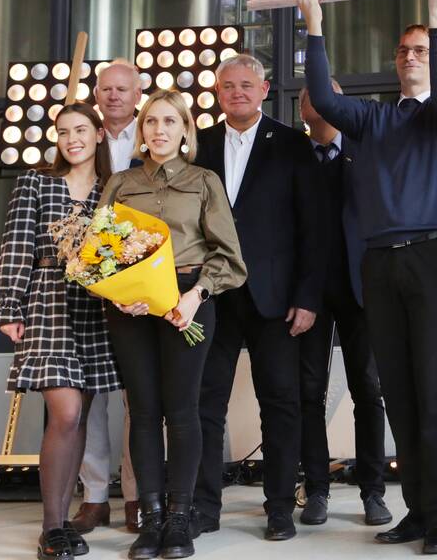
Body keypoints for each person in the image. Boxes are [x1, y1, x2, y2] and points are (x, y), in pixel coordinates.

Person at [301, 0, 437, 555]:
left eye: (420, 50)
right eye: (403, 50)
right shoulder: (373, 118)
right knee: (397, 392)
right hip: (378, 264)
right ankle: (418, 511)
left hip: (431, 257)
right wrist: (314, 26)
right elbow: (325, 100)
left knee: (435, 394)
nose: (410, 57)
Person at [100, 89, 247, 559]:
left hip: (188, 300)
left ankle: (181, 519)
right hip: (131, 307)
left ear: (185, 130)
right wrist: (120, 294)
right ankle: (151, 519)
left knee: (183, 411)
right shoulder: (121, 183)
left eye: (169, 121)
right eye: (151, 121)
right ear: (141, 131)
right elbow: (101, 253)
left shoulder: (204, 181)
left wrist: (196, 294)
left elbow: (229, 257)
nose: (159, 130)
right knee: (143, 411)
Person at [191, 54, 323, 541]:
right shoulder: (198, 145)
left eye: (246, 85)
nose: (238, 93)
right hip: (212, 296)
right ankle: (204, 507)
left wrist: (308, 297)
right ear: (218, 93)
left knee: (281, 404)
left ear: (264, 90)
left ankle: (280, 508)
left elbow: (313, 229)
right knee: (205, 403)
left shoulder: (292, 144)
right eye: (228, 86)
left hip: (276, 299)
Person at [0, 102, 120, 560]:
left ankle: (63, 522)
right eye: (63, 132)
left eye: (80, 130)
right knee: (65, 413)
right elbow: (16, 245)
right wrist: (9, 306)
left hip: (96, 308)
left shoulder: (113, 188)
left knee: (80, 416)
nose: (72, 139)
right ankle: (50, 528)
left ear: (99, 134)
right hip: (47, 303)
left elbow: (121, 254)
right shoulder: (35, 182)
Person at [298, 81, 391, 528]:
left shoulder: (366, 149)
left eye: (327, 94)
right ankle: (316, 489)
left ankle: (373, 491)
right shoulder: (293, 155)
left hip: (362, 290)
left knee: (368, 391)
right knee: (308, 393)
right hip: (308, 294)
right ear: (301, 109)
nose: (318, 101)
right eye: (309, 95)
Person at [73, 61, 142, 534]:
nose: (113, 96)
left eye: (122, 89)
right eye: (106, 88)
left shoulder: (152, 134)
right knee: (90, 397)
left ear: (138, 94)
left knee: (141, 396)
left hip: (140, 278)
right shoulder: (85, 137)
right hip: (88, 282)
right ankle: (94, 497)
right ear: (96, 93)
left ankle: (137, 495)